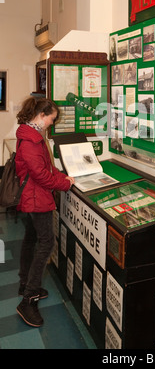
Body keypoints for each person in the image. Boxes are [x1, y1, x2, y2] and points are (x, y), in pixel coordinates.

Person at [15, 96, 75, 327]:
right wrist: (64, 184)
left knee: (31, 239)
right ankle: (27, 299)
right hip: (35, 198)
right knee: (46, 243)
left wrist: (62, 177)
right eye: (52, 118)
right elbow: (40, 175)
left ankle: (24, 283)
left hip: (33, 196)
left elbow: (46, 168)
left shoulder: (31, 134)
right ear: (41, 115)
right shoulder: (31, 139)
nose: (52, 122)